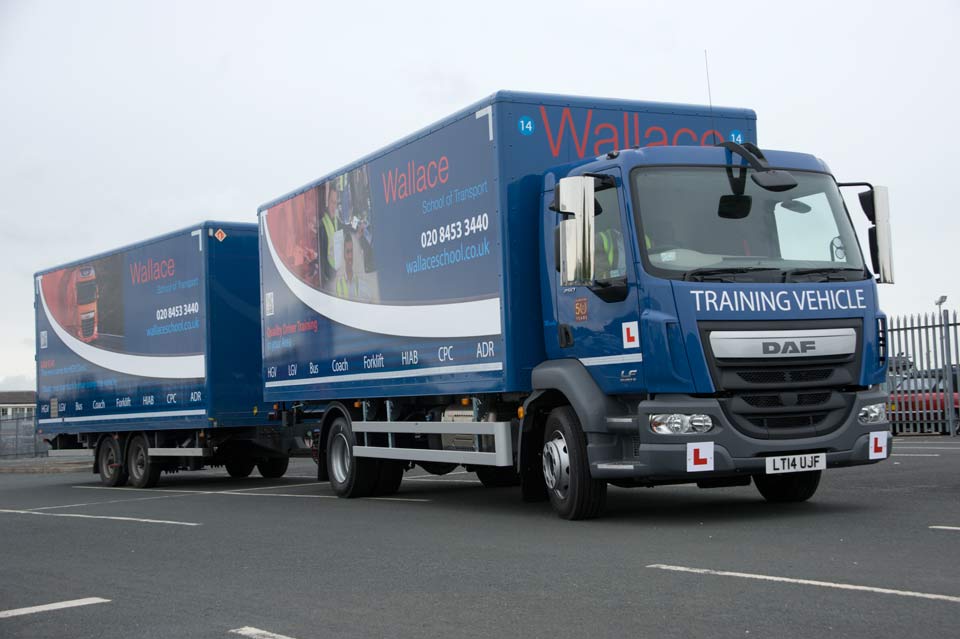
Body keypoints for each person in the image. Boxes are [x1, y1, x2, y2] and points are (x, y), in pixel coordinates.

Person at [318, 182, 338, 286]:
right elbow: (322, 260)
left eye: (336, 203)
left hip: (336, 276)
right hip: (329, 279)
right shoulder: (323, 225)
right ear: (327, 202)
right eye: (332, 202)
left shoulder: (335, 221)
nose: (334, 206)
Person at [336, 232, 360, 299]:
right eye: (347, 252)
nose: (350, 256)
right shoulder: (336, 283)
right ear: (343, 254)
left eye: (352, 251)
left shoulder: (363, 284)